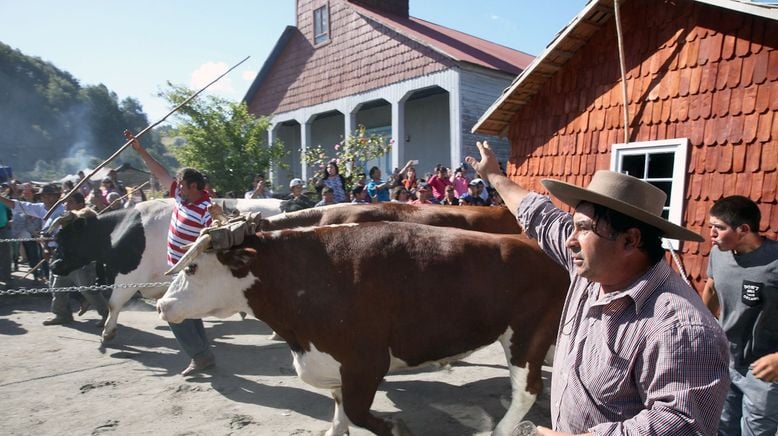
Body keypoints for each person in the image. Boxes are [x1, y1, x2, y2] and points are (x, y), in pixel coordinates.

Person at [465, 140, 729, 435]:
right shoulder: (594, 266)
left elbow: (684, 424)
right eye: (574, 226)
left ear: (630, 240)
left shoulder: (681, 328)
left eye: (584, 228)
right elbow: (539, 215)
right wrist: (494, 175)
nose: (569, 240)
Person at [126, 129, 216, 376]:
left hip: (194, 270)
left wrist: (219, 219)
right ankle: (203, 353)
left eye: (184, 187)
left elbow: (217, 239)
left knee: (169, 309)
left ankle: (200, 356)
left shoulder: (208, 209)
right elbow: (160, 172)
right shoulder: (182, 197)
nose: (179, 190)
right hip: (177, 269)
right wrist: (140, 149)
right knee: (188, 312)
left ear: (195, 187)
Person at [702, 195, 778, 436]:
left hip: (764, 369)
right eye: (710, 227)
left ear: (744, 229)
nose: (712, 234)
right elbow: (712, 288)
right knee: (722, 428)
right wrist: (701, 327)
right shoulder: (718, 254)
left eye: (719, 228)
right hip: (726, 361)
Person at [0, 184, 110, 326]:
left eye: (51, 195)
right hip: (57, 255)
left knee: (86, 288)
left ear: (57, 196)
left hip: (76, 255)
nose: (47, 198)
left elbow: (69, 228)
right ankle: (62, 315)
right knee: (57, 287)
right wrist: (45, 246)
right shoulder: (41, 209)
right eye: (45, 195)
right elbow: (18, 206)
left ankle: (106, 315)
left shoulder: (66, 210)